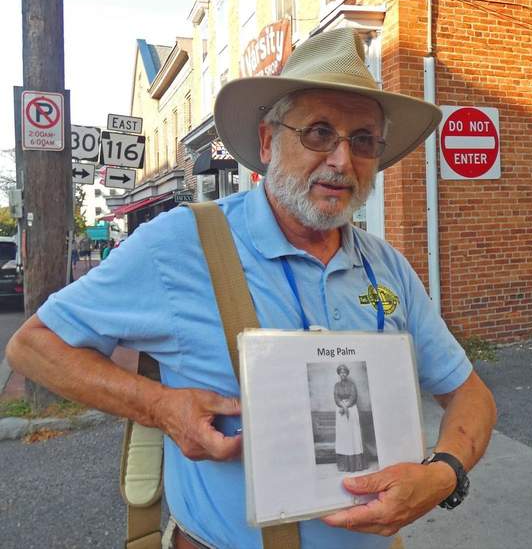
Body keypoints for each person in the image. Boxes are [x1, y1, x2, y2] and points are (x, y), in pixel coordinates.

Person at [7, 28, 496, 549]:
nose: (341, 160)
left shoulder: (386, 267)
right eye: (318, 133)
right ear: (267, 142)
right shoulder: (181, 243)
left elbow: (470, 393)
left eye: (362, 141)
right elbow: (35, 345)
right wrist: (160, 407)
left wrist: (444, 474)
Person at [333, 364, 365, 472]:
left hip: (351, 410)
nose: (343, 374)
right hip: (341, 412)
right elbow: (336, 397)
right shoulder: (336, 385)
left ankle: (356, 465)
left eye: (344, 372)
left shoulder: (352, 385)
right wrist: (342, 406)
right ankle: (344, 466)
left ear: (347, 374)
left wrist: (346, 406)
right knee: (344, 436)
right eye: (341, 372)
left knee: (353, 434)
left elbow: (354, 396)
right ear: (339, 374)